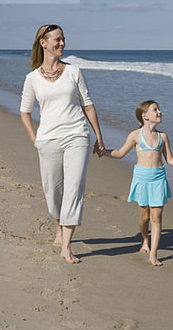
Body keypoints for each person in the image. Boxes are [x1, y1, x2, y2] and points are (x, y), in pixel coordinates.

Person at [20, 24, 105, 264]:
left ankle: (66, 246)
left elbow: (87, 104)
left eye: (63, 39)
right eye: (57, 40)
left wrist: (98, 136)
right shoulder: (32, 79)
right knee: (52, 191)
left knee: (74, 188)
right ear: (43, 43)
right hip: (47, 139)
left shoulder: (74, 71)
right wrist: (35, 139)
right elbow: (25, 112)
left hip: (77, 135)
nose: (62, 44)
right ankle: (58, 226)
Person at [103, 100, 173, 266]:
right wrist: (103, 152)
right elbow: (120, 153)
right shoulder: (135, 135)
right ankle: (144, 239)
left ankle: (153, 254)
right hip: (141, 178)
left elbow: (170, 159)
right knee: (144, 217)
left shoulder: (163, 136)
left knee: (156, 217)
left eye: (159, 109)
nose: (159, 112)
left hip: (158, 178)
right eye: (155, 110)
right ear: (145, 116)